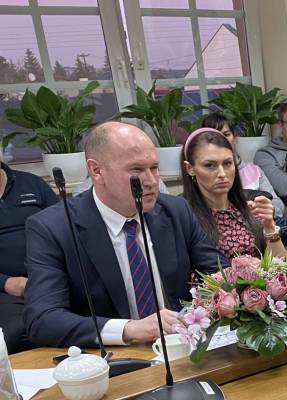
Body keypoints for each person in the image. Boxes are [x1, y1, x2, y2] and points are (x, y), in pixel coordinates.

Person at [24, 122, 225, 348]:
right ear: (97, 171)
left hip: (181, 347)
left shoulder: (176, 211)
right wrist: (130, 329)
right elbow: (43, 320)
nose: (151, 181)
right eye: (136, 170)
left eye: (154, 168)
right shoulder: (53, 228)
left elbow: (220, 275)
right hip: (113, 355)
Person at [179, 128, 286, 260]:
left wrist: (269, 227)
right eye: (210, 165)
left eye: (227, 163)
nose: (222, 174)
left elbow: (282, 265)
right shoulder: (184, 216)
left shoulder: (249, 207)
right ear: (190, 168)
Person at [0, 161, 58, 353]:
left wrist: (51, 276)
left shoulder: (32, 183)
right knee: (19, 333)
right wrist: (6, 283)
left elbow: (65, 227)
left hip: (50, 277)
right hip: (6, 289)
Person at [201, 112, 286, 219]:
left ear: (235, 137)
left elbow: (278, 205)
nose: (221, 140)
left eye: (226, 134)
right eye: (215, 136)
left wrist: (266, 209)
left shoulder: (254, 171)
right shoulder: (203, 175)